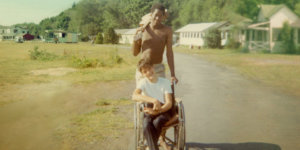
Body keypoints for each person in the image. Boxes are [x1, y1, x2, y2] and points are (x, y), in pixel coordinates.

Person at [132, 3, 178, 85]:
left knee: (160, 96)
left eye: (160, 16)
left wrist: (173, 74)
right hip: (143, 68)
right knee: (142, 96)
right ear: (151, 14)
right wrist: (136, 39)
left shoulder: (167, 30)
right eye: (156, 15)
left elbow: (169, 53)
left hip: (158, 69)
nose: (157, 18)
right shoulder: (142, 30)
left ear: (163, 17)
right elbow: (135, 53)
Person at [132, 59, 173, 150]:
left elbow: (169, 103)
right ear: (142, 74)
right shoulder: (143, 82)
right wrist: (154, 100)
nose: (149, 72)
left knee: (157, 121)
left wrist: (159, 110)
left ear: (153, 67)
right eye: (145, 71)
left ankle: (150, 147)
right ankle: (153, 147)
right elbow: (134, 96)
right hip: (149, 108)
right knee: (146, 124)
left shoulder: (165, 82)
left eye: (150, 69)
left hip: (164, 110)